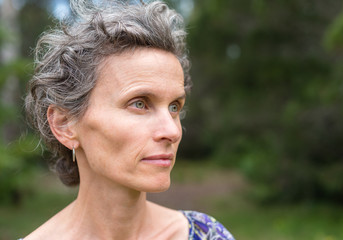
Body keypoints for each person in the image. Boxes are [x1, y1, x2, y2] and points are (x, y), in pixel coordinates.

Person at [22, 0, 235, 239]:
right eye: (139, 103)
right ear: (65, 124)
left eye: (174, 107)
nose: (172, 131)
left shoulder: (207, 234)